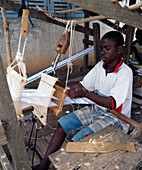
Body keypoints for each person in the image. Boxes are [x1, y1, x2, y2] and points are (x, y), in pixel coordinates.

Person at [32, 31, 133, 170]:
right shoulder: (99, 67)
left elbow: (112, 103)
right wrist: (55, 83)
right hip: (97, 109)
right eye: (102, 48)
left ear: (119, 49)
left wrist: (85, 93)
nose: (103, 52)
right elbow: (81, 86)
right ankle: (44, 164)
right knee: (63, 124)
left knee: (78, 139)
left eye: (107, 48)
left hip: (116, 117)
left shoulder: (125, 73)